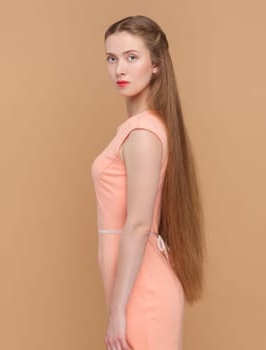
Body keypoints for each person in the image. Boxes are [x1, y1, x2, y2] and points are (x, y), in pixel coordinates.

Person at [91, 15, 205, 350]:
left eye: (131, 57)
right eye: (111, 59)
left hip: (143, 293)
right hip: (133, 288)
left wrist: (116, 311)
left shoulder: (143, 134)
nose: (119, 70)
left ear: (155, 65)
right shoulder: (138, 129)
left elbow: (139, 224)